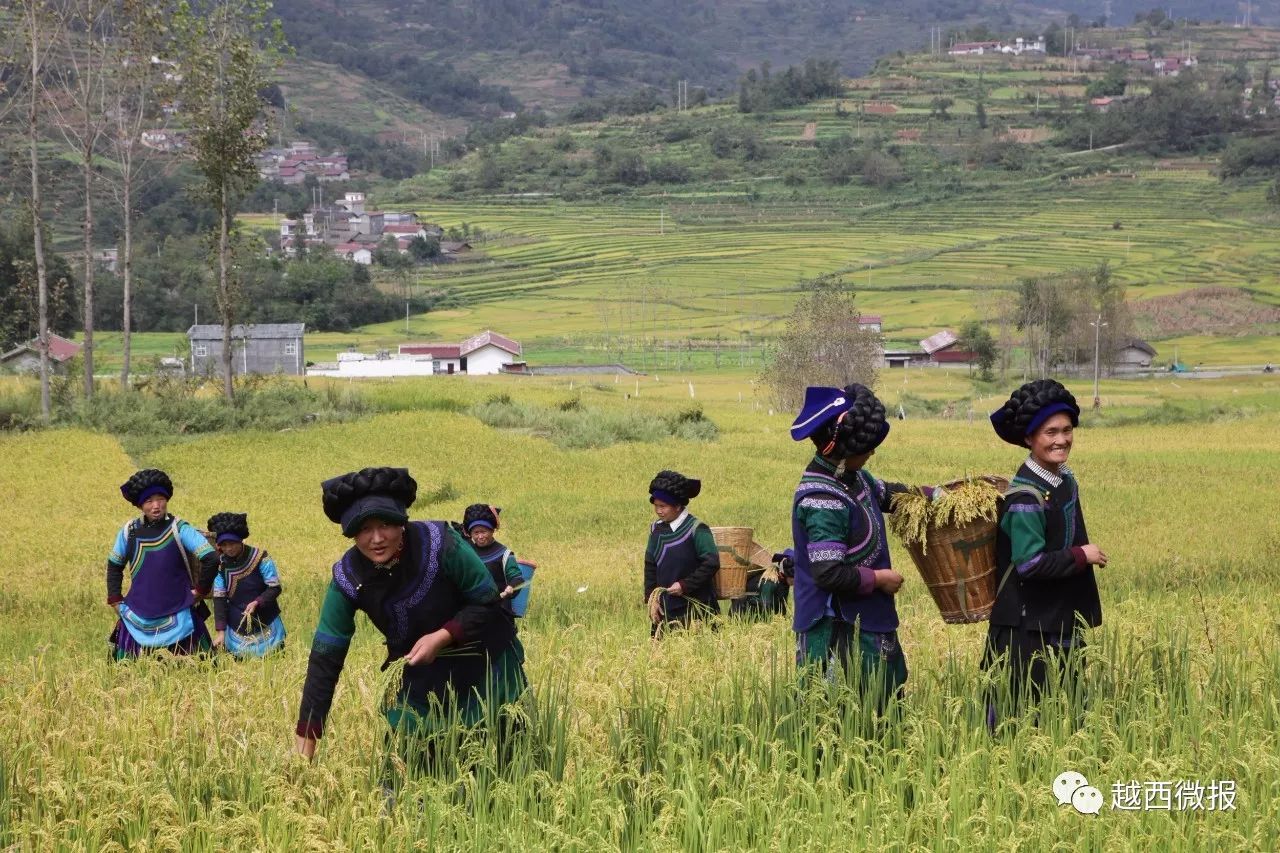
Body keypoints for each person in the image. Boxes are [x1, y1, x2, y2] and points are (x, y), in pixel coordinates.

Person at [295, 467, 527, 776]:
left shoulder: (442, 544)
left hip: (485, 666)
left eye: (386, 524)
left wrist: (443, 635)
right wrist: (306, 740)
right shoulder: (348, 577)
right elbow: (326, 656)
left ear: (402, 522)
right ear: (351, 533)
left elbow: (488, 601)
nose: (376, 538)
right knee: (412, 775)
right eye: (364, 529)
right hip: (419, 679)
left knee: (498, 766)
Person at [789, 384, 931, 709]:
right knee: (847, 715)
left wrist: (931, 496)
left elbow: (887, 494)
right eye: (867, 446)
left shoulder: (854, 477)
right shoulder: (822, 499)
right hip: (838, 630)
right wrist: (879, 579)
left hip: (867, 619)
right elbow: (828, 573)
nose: (872, 452)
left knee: (884, 703)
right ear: (840, 450)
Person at [984, 379, 1105, 725]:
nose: (1061, 440)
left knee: (1065, 717)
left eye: (1067, 430)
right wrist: (1083, 556)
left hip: (1060, 620)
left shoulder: (1063, 479)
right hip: (1027, 630)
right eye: (1050, 432)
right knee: (1018, 719)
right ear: (1029, 438)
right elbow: (1030, 565)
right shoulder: (1026, 498)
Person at [106, 469, 218, 660]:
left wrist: (200, 591)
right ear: (140, 505)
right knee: (130, 676)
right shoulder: (129, 531)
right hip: (138, 612)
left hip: (179, 610)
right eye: (149, 501)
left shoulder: (179, 528)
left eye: (160, 499)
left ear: (167, 500)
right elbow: (114, 565)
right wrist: (115, 599)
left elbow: (211, 557)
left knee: (193, 672)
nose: (156, 506)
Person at [644, 470, 720, 635]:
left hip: (696, 609)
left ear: (678, 506)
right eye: (656, 506)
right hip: (665, 609)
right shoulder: (656, 529)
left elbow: (711, 562)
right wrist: (651, 600)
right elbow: (650, 565)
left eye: (663, 506)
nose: (658, 511)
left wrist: (684, 585)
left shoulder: (697, 529)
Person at [207, 512, 286, 658]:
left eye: (232, 543)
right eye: (224, 545)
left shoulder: (261, 558)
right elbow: (219, 599)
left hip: (267, 623)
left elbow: (274, 587)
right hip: (236, 628)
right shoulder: (220, 566)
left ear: (241, 540)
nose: (228, 549)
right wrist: (220, 632)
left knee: (274, 662)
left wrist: (257, 602)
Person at [461, 504, 521, 608]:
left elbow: (517, 577)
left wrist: (511, 587)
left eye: (484, 532)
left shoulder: (505, 554)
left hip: (499, 610)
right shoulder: (468, 553)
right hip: (473, 611)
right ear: (470, 534)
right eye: (476, 533)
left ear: (492, 531)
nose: (480, 536)